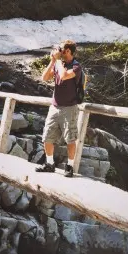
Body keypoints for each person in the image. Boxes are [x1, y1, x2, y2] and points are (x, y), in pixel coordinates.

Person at [35, 39, 82, 177]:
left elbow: (63, 75)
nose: (58, 51)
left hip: (69, 108)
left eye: (61, 49)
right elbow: (44, 77)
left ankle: (70, 166)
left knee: (70, 139)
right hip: (54, 107)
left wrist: (57, 61)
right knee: (47, 136)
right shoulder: (57, 63)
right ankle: (49, 164)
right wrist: (52, 61)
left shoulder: (76, 66)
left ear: (68, 51)